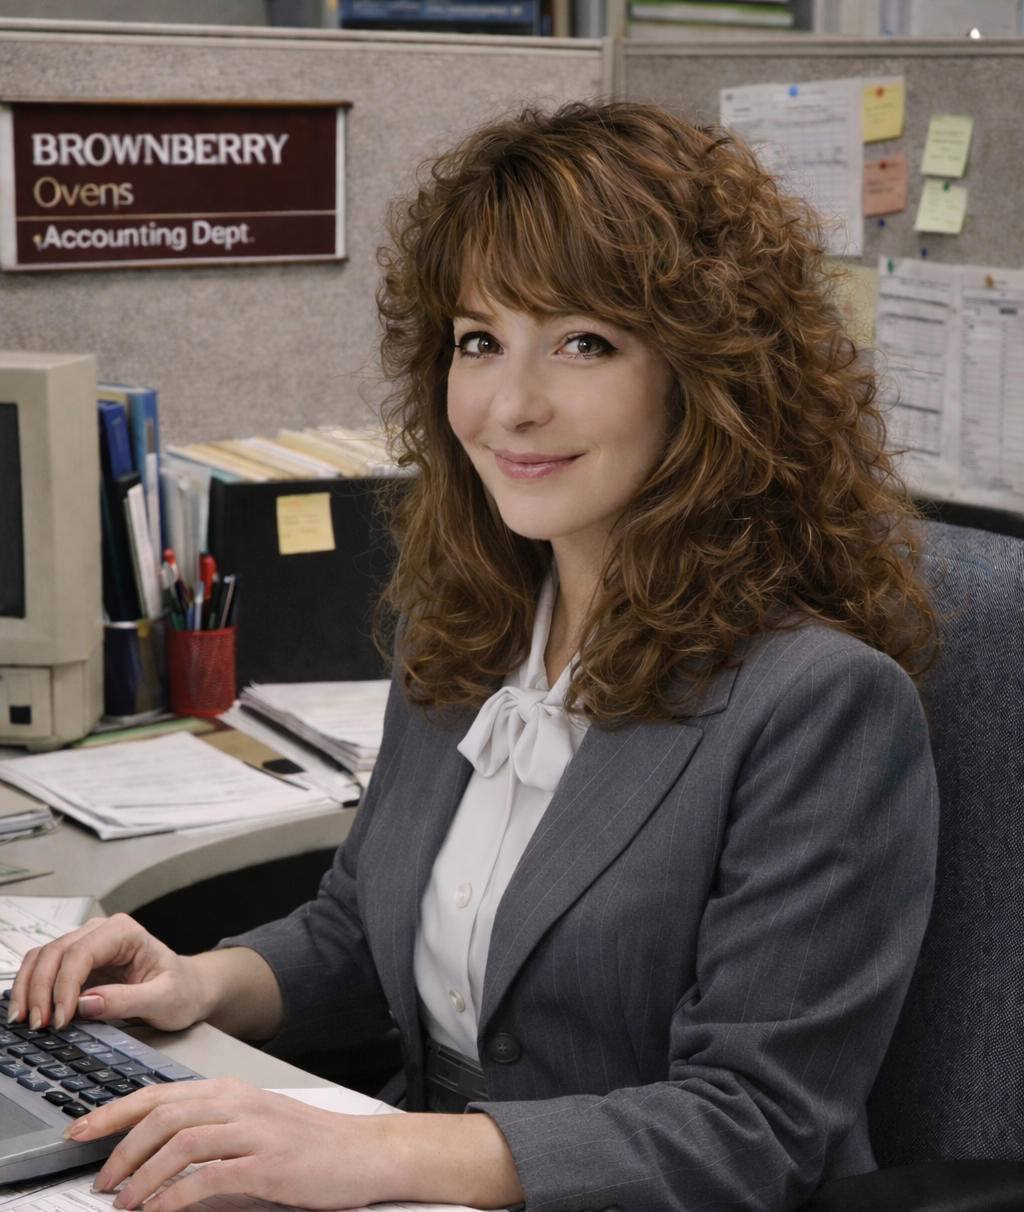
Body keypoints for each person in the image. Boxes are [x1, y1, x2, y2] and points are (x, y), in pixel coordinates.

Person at [11, 102, 939, 1212]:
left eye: (584, 342)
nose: (509, 406)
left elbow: (754, 1127)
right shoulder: (464, 629)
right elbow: (361, 932)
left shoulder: (818, 706)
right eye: (479, 341)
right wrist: (195, 981)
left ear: (706, 373)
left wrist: (367, 1154)